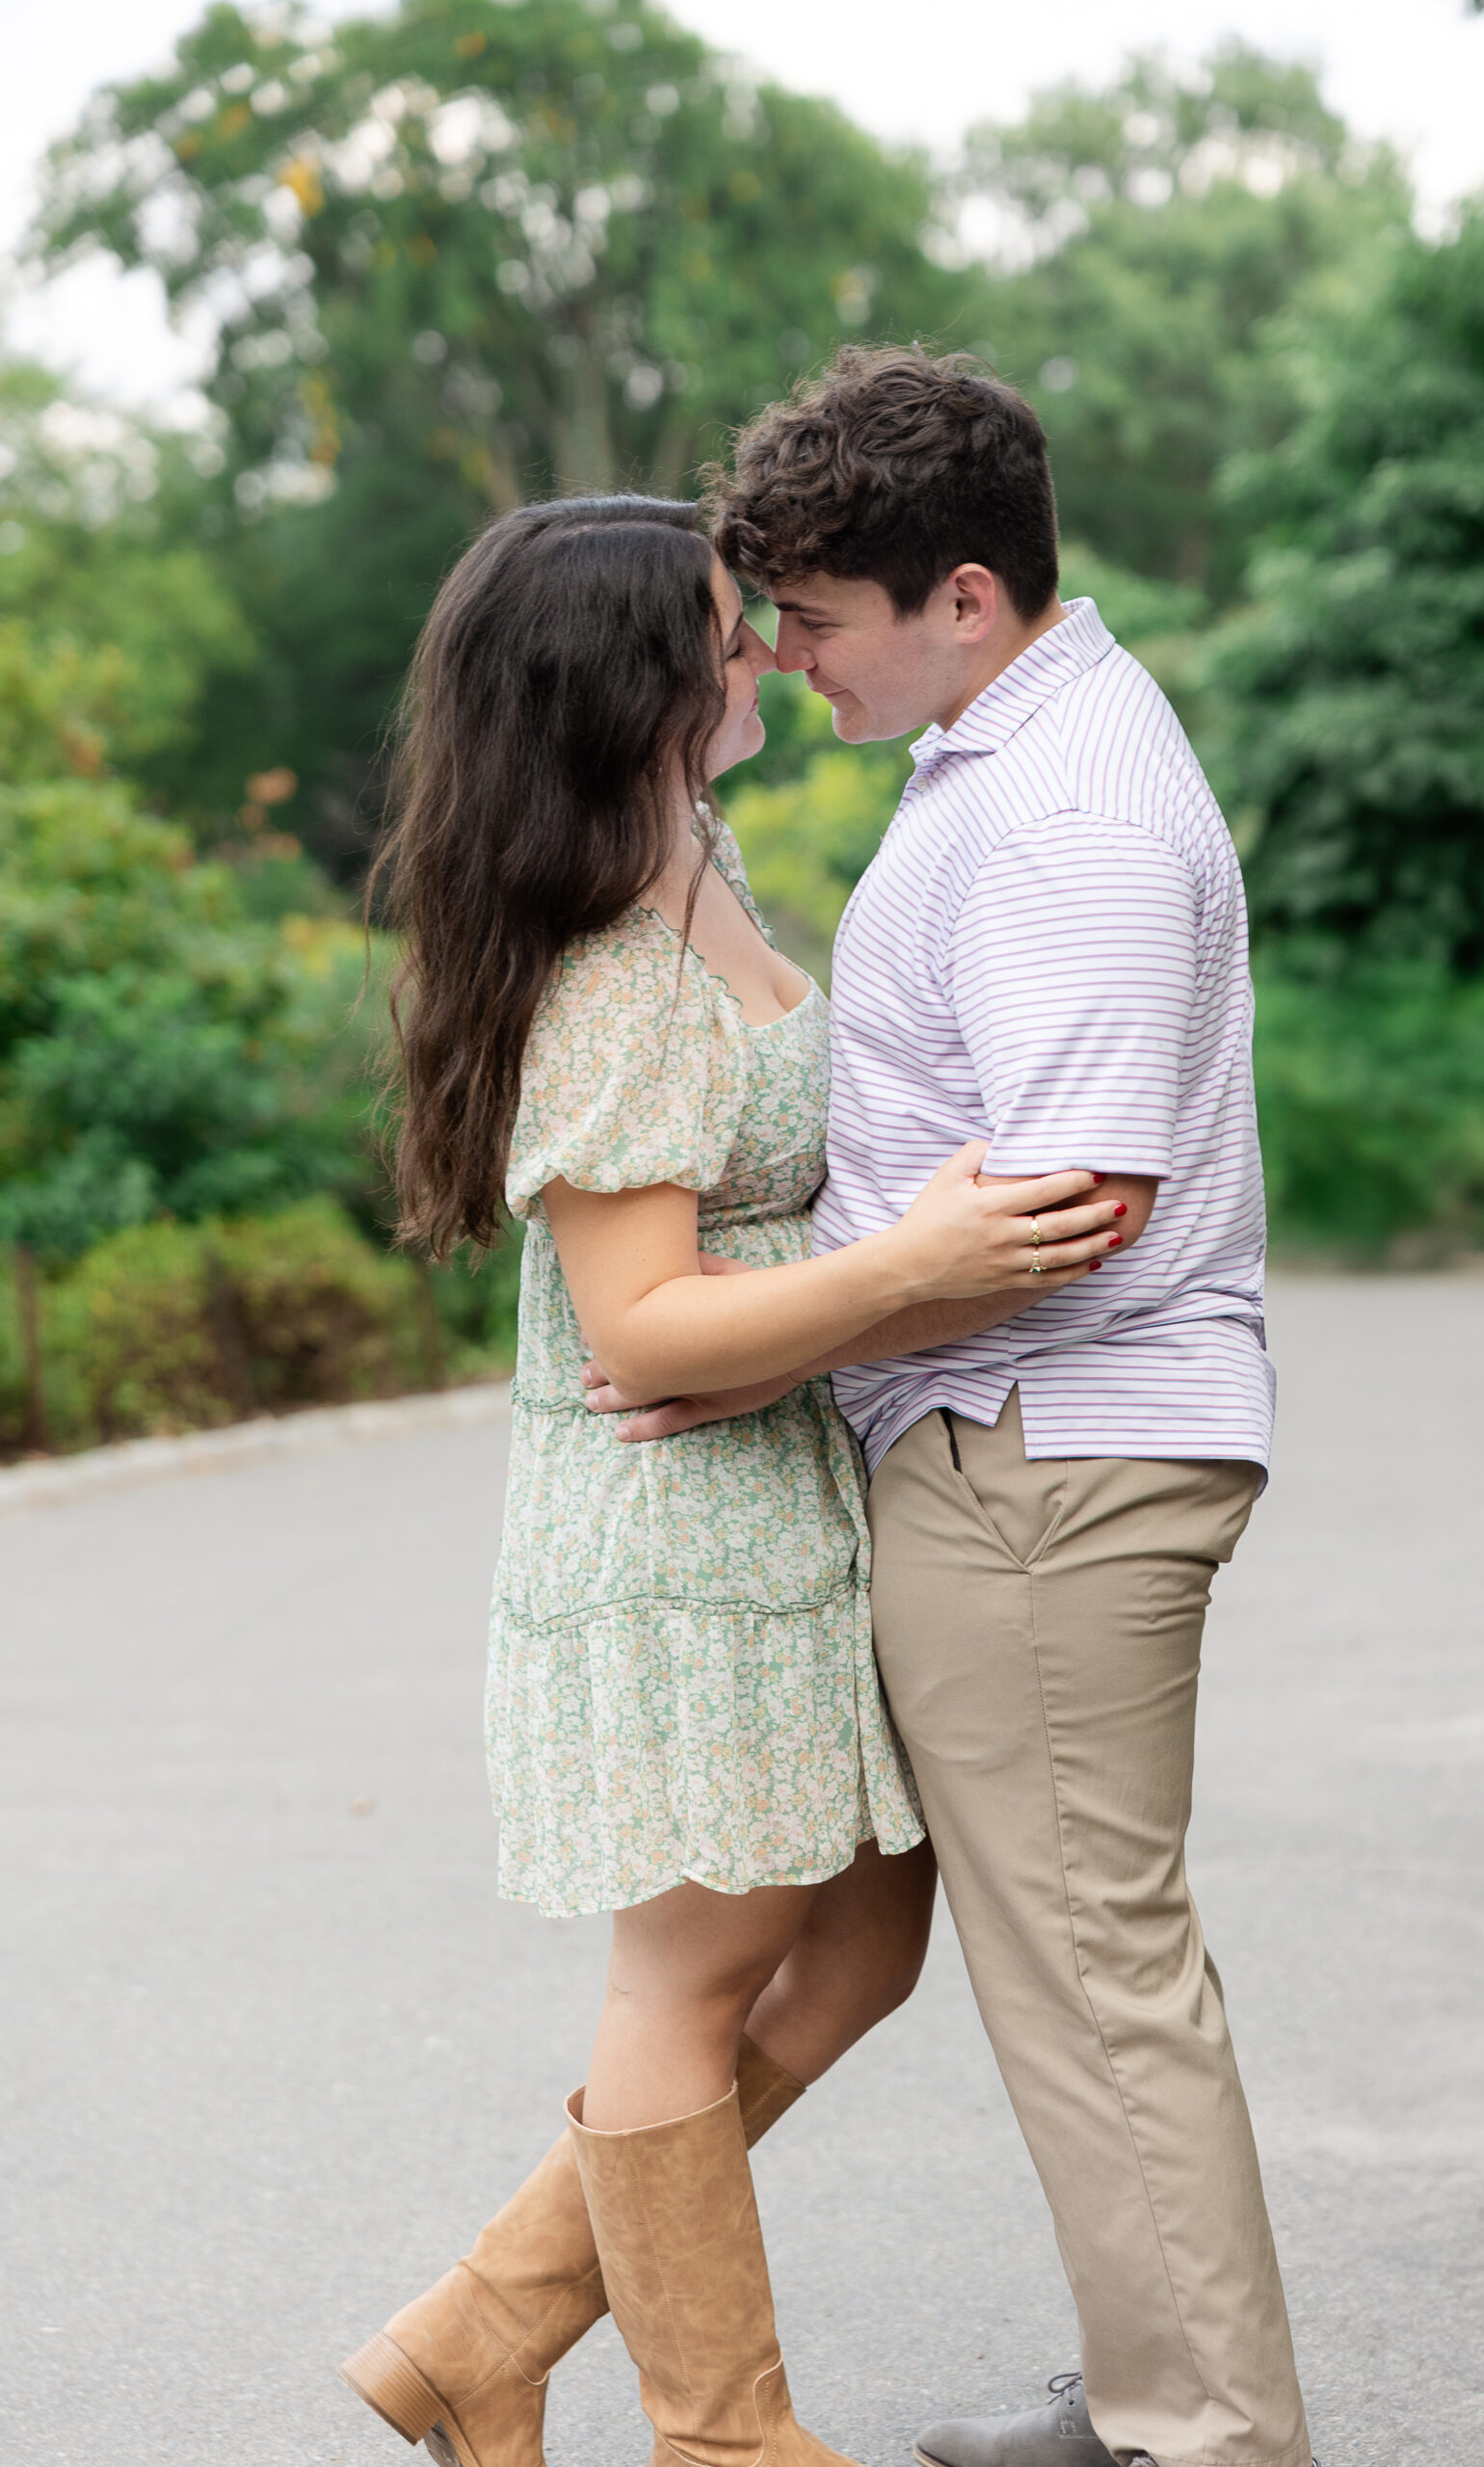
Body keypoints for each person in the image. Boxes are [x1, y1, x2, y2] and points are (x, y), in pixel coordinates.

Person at [337, 493, 1126, 2467]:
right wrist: (914, 1268)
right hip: (677, 1528)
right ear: (632, 687)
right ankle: (720, 2428)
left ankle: (480, 2330)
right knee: (689, 1967)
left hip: (780, 1500)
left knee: (859, 1936)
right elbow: (642, 1324)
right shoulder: (605, 961)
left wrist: (860, 1280)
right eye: (724, 630)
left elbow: (738, 1253)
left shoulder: (696, 860)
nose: (764, 651)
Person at [596, 349, 1316, 2467]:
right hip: (1026, 1441)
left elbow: (1079, 1194)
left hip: (1044, 1451)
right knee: (1065, 1973)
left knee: (1094, 1984)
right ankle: (1150, 2387)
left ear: (967, 595)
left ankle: (1201, 2432)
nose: (786, 657)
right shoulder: (1013, 745)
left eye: (813, 619)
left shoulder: (1065, 804)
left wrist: (761, 1330)